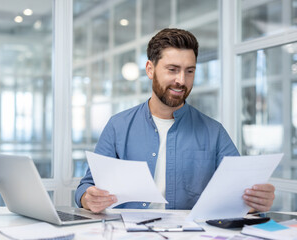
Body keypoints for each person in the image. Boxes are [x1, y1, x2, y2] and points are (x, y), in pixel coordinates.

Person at [75, 28, 275, 213]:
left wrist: (255, 202)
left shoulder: (214, 132)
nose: (182, 80)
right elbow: (87, 186)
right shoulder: (118, 126)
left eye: (190, 71)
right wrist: (87, 197)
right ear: (150, 69)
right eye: (172, 69)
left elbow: (239, 193)